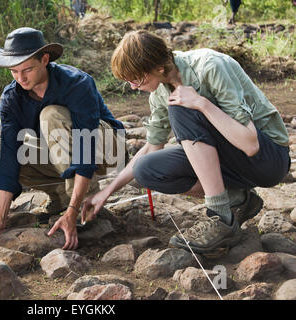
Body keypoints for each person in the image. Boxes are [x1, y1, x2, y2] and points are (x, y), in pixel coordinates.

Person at [81, 30, 290, 255]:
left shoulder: (211, 66)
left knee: (181, 107)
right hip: (231, 163)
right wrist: (107, 191)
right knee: (145, 170)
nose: (133, 86)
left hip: (268, 160)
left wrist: (201, 103)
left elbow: (251, 144)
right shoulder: (159, 93)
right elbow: (152, 147)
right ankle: (237, 199)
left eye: (136, 78)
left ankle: (221, 217)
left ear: (159, 68)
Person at [0, 27, 126, 249]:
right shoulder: (12, 98)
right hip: (61, 151)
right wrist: (1, 220)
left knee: (50, 115)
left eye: (27, 69)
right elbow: (10, 158)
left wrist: (73, 211)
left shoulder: (77, 83)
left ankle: (83, 205)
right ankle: (59, 194)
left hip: (107, 149)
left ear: (45, 59)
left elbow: (85, 145)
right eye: (13, 71)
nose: (20, 78)